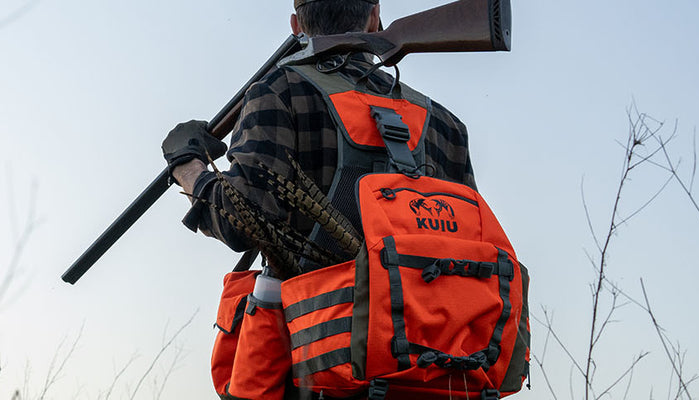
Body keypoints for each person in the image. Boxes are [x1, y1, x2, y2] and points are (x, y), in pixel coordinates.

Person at [160, 0, 476, 278]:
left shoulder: (280, 91)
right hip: (441, 337)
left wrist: (187, 165)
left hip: (320, 339)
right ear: (374, 17)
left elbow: (242, 221)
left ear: (296, 24)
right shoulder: (444, 124)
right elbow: (474, 242)